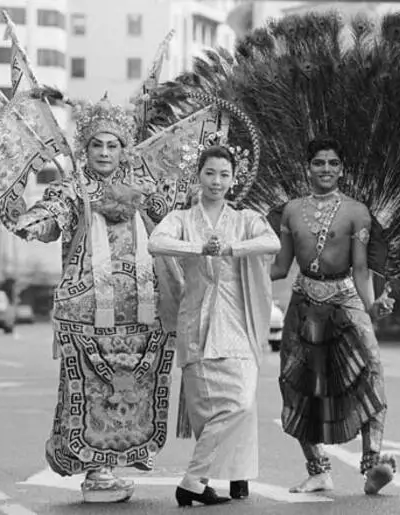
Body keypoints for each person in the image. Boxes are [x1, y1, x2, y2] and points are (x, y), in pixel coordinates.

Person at [10, 93, 178, 503]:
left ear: (124, 149)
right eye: (96, 145)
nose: (105, 152)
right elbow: (53, 214)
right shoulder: (73, 189)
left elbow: (172, 218)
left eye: (113, 145)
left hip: (140, 309)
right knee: (90, 388)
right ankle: (96, 471)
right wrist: (32, 222)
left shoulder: (142, 186)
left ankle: (114, 461)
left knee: (130, 387)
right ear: (84, 149)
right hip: (87, 310)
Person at [148, 145, 281, 507]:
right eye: (210, 173)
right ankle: (211, 480)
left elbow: (273, 241)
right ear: (199, 176)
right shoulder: (182, 218)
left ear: (234, 180)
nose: (217, 181)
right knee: (207, 410)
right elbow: (155, 242)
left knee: (240, 402)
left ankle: (193, 480)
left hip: (238, 321)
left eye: (224, 174)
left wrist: (231, 249)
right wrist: (198, 249)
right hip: (198, 321)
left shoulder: (245, 218)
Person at [270, 137, 397, 496]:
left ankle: (373, 464)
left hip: (344, 297)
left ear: (342, 169)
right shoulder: (292, 210)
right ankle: (318, 470)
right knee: (296, 383)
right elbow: (280, 266)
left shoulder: (357, 211)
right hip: (303, 299)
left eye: (333, 163)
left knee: (371, 367)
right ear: (307, 167)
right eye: (319, 163)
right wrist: (234, 267)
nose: (326, 169)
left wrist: (371, 306)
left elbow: (360, 268)